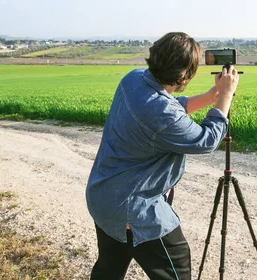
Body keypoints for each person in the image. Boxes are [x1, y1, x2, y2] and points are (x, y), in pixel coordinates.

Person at [85, 32, 239, 280]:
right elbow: (206, 140)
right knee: (176, 264)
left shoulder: (133, 78)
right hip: (133, 209)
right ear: (182, 76)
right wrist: (226, 97)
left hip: (104, 196)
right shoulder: (162, 112)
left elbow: (169, 105)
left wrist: (212, 96)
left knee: (109, 270)